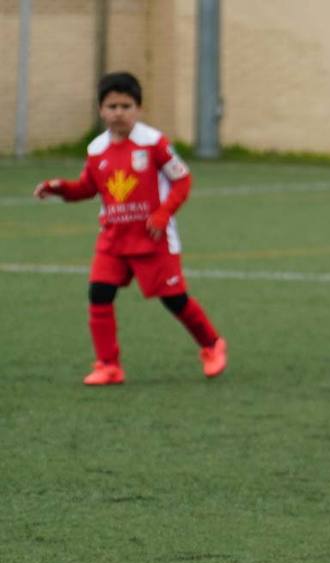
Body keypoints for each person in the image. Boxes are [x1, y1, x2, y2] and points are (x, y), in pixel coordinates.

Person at [33, 71, 226, 386]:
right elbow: (86, 187)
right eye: (112, 106)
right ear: (100, 110)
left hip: (153, 239)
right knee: (99, 293)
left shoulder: (154, 143)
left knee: (174, 300)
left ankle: (212, 344)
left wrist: (163, 214)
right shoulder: (96, 149)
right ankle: (108, 365)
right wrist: (59, 188)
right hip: (113, 238)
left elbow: (182, 180)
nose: (119, 112)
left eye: (126, 105)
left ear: (138, 109)